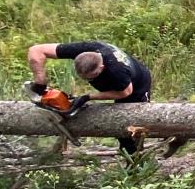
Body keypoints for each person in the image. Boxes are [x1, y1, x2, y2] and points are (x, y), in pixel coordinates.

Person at [26, 40, 155, 155]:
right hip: (115, 81)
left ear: (102, 67)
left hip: (137, 85)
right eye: (84, 78)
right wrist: (40, 82)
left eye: (93, 76)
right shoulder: (85, 48)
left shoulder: (117, 71)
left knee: (128, 126)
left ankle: (135, 161)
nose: (89, 80)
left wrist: (88, 97)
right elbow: (36, 50)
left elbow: (125, 92)